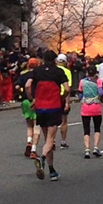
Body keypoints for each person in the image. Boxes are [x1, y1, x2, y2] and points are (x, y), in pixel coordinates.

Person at [25, 50, 70, 182]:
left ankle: (51, 170)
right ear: (55, 60)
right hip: (54, 107)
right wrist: (61, 98)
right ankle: (42, 158)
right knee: (51, 140)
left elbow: (28, 85)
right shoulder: (58, 72)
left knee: (46, 139)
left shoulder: (37, 71)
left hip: (40, 107)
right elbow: (67, 89)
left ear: (43, 59)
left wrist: (32, 99)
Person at [17, 58, 40, 158]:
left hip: (25, 101)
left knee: (29, 125)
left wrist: (21, 94)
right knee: (37, 125)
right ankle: (33, 149)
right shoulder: (39, 76)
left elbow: (17, 86)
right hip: (36, 101)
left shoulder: (23, 75)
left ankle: (29, 142)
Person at [79, 65, 103, 158]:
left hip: (85, 107)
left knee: (86, 129)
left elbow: (80, 93)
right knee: (97, 128)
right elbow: (101, 92)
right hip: (96, 106)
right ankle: (96, 147)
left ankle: (87, 149)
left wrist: (83, 98)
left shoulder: (82, 82)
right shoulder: (98, 81)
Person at [56, 54, 73, 149]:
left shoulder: (53, 70)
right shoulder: (67, 71)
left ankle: (52, 140)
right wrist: (67, 102)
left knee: (53, 121)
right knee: (64, 120)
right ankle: (63, 141)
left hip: (53, 97)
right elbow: (68, 88)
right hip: (62, 97)